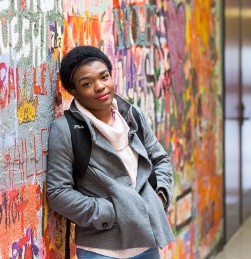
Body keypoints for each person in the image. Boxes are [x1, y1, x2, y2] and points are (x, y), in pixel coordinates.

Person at [46, 46, 174, 259]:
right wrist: (108, 212)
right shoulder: (66, 129)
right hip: (101, 249)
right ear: (74, 91)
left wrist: (159, 197)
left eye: (104, 77)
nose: (99, 87)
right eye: (87, 84)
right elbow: (58, 193)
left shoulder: (133, 116)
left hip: (147, 242)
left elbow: (160, 160)